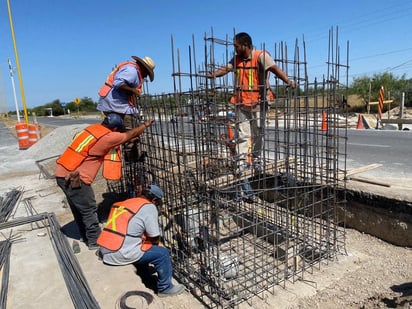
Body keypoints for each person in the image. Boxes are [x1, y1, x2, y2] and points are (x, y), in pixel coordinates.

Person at [55, 113, 154, 250]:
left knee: (79, 208)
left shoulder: (93, 129)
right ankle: (95, 241)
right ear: (114, 129)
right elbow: (128, 135)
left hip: (62, 171)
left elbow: (107, 145)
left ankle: (86, 236)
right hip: (75, 178)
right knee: (89, 210)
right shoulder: (109, 136)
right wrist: (145, 125)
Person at [208, 32, 297, 169]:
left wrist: (288, 81)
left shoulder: (260, 56)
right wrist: (214, 75)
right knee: (243, 133)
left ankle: (256, 159)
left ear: (246, 45)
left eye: (237, 46)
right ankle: (242, 161)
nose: (235, 49)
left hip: (259, 102)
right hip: (242, 101)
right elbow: (226, 68)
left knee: (258, 132)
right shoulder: (236, 59)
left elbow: (275, 69)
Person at [97, 184, 185, 297]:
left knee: (142, 245)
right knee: (162, 254)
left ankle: (146, 277)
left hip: (106, 249)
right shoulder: (149, 207)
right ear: (154, 200)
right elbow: (154, 237)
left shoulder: (125, 203)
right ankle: (165, 288)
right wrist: (158, 244)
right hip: (119, 252)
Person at [97, 55, 155, 130]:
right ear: (143, 68)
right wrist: (133, 91)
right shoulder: (132, 71)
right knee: (130, 128)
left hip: (113, 102)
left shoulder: (133, 69)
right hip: (115, 103)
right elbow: (118, 84)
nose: (146, 76)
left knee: (116, 130)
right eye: (147, 73)